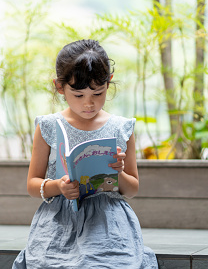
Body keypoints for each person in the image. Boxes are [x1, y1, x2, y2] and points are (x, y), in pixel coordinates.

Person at [12, 39, 158, 268]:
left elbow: (132, 189)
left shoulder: (121, 128)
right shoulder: (49, 126)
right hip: (59, 221)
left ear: (108, 84)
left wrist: (117, 173)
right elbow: (32, 184)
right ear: (60, 87)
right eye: (78, 95)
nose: (89, 104)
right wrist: (58, 186)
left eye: (98, 93)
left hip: (108, 222)